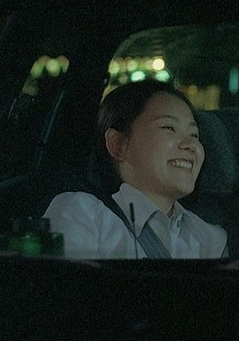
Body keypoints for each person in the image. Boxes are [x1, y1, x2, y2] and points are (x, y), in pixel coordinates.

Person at [43, 79, 228, 259]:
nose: (191, 144)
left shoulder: (212, 239)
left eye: (194, 135)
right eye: (169, 127)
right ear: (118, 144)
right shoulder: (82, 214)